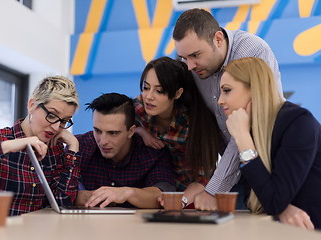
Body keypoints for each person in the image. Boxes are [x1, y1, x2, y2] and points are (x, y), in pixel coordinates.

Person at [172, 8, 284, 210]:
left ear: (218, 39)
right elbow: (164, 91)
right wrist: (141, 126)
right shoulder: (191, 63)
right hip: (233, 173)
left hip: (272, 166)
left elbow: (246, 126)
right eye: (183, 58)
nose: (189, 66)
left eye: (195, 55)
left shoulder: (252, 52)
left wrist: (213, 190)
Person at [218, 57, 321, 230]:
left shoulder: (299, 123)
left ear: (254, 90)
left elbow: (273, 201)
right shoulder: (255, 128)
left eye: (227, 91)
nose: (220, 100)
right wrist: (283, 209)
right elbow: (255, 198)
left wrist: (243, 138)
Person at [0, 76, 81, 219]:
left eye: (64, 121)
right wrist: (6, 147)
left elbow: (62, 205)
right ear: (31, 105)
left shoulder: (56, 150)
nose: (56, 127)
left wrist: (73, 147)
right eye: (51, 115)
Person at [133, 56, 220, 206]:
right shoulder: (138, 107)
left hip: (193, 197)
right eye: (146, 88)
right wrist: (141, 132)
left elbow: (204, 178)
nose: (149, 97)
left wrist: (181, 200)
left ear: (178, 93)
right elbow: (121, 129)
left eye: (159, 91)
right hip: (153, 192)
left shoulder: (193, 125)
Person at [75, 93, 175, 209]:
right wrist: (77, 196)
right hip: (89, 225)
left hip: (140, 226)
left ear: (131, 131)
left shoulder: (153, 153)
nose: (103, 141)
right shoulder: (80, 146)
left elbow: (163, 195)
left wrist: (127, 193)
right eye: (97, 131)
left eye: (113, 133)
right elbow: (53, 188)